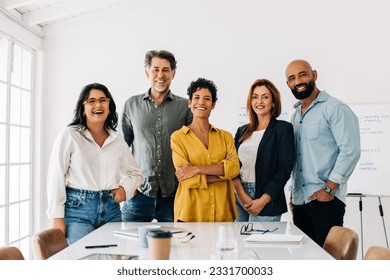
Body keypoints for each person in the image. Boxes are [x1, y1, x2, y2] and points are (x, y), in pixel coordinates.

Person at [46, 83, 143, 244]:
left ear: (109, 106)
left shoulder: (117, 140)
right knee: (85, 261)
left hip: (112, 211)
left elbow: (135, 174)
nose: (98, 105)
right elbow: (56, 177)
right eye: (91, 101)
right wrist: (57, 217)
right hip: (78, 212)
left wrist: (124, 189)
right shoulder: (69, 135)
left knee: (113, 259)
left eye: (103, 100)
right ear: (83, 108)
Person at [285, 59, 361, 246]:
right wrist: (294, 195)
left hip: (326, 200)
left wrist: (329, 188)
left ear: (314, 75)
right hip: (301, 202)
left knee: (327, 263)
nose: (298, 81)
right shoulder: (295, 115)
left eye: (303, 74)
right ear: (288, 84)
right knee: (306, 261)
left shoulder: (335, 109)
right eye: (292, 78)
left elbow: (351, 150)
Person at [121, 50, 192, 222]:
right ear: (147, 73)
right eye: (155, 69)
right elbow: (122, 147)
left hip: (174, 195)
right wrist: (127, 183)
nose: (160, 75)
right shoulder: (132, 104)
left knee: (175, 247)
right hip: (138, 194)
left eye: (166, 70)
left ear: (173, 74)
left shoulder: (185, 106)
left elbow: (191, 147)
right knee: (128, 246)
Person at [170, 77, 240, 222]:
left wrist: (196, 169)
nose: (201, 102)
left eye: (207, 98)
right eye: (196, 97)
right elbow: (187, 180)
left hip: (223, 213)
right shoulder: (178, 138)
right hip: (191, 213)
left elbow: (234, 169)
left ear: (213, 104)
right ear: (189, 103)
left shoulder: (226, 137)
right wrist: (223, 171)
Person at [233, 79, 294, 222]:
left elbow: (284, 170)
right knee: (239, 242)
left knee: (260, 244)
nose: (259, 101)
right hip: (239, 196)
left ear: (273, 102)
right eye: (255, 97)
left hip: (267, 198)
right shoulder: (242, 131)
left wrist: (263, 200)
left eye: (265, 97)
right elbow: (233, 166)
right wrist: (242, 195)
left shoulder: (283, 129)